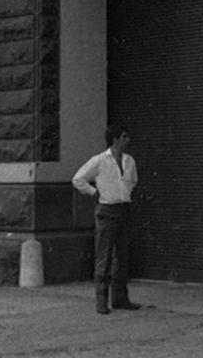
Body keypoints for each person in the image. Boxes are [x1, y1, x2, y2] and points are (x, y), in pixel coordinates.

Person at [72, 123, 140, 314]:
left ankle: (120, 297)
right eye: (125, 136)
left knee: (122, 256)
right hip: (107, 210)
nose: (128, 140)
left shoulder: (129, 161)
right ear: (115, 138)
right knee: (104, 255)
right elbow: (78, 178)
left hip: (123, 209)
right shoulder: (100, 160)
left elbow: (133, 181)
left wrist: (124, 193)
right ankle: (101, 300)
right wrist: (95, 192)